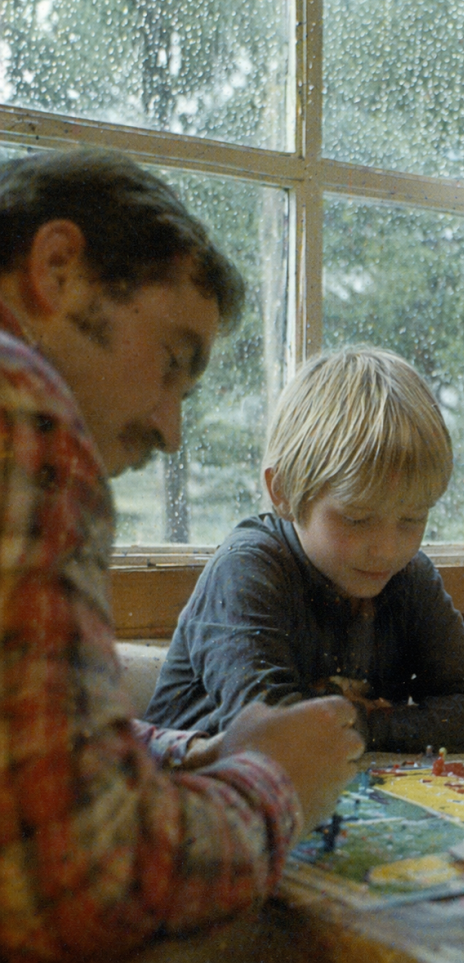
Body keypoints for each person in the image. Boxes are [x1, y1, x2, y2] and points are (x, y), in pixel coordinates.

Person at [0, 147, 363, 961]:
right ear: (56, 269)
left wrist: (193, 751)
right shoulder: (20, 407)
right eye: (172, 365)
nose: (169, 431)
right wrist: (278, 786)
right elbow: (97, 881)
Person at [145, 346, 464, 753]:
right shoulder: (247, 569)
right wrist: (380, 720)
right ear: (283, 491)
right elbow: (273, 734)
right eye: (357, 518)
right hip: (194, 804)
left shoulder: (409, 577)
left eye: (412, 519)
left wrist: (363, 724)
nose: (388, 549)